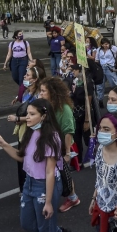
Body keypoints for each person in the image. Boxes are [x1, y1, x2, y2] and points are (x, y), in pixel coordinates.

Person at [0, 99, 72, 232]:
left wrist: (48, 202)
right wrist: (3, 144)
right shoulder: (30, 132)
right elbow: (22, 157)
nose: (26, 117)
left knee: (44, 231)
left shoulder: (52, 138)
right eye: (27, 113)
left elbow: (49, 172)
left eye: (31, 114)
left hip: (45, 186)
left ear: (43, 116)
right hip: (29, 183)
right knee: (27, 223)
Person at [39, 77, 80, 213]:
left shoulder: (64, 109)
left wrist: (67, 152)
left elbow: (69, 132)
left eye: (44, 91)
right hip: (51, 145)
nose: (41, 93)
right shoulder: (47, 106)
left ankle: (72, 198)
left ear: (52, 92)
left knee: (63, 174)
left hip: (62, 147)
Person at [7, 66, 47, 192]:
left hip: (31, 130)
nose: (25, 77)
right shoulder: (25, 93)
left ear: (35, 79)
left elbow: (36, 116)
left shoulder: (37, 97)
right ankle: (24, 187)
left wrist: (18, 119)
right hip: (23, 130)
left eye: (28, 75)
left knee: (29, 157)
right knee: (21, 160)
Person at [69, 63, 96, 166]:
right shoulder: (75, 82)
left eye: (74, 70)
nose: (73, 72)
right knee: (76, 138)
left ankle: (94, 158)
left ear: (80, 71)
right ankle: (78, 161)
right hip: (75, 115)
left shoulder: (88, 83)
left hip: (85, 114)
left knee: (87, 139)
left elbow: (88, 103)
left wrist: (87, 120)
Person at [95, 38, 117, 105]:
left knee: (114, 83)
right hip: (102, 67)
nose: (106, 45)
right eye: (105, 44)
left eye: (107, 44)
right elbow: (97, 60)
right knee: (100, 85)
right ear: (102, 44)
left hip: (110, 67)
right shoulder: (99, 50)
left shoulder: (112, 48)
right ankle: (100, 100)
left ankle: (116, 98)